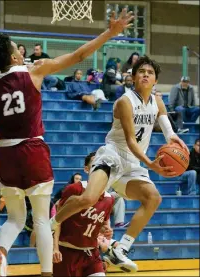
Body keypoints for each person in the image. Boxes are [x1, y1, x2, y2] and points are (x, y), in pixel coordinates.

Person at [0, 8, 134, 277]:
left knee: (16, 218)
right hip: (32, 149)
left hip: (6, 152)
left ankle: (1, 252)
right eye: (18, 48)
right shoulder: (34, 70)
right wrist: (110, 32)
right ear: (15, 56)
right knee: (41, 217)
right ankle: (46, 272)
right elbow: (79, 56)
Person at [51, 55, 189, 272]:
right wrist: (151, 165)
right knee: (87, 198)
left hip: (133, 165)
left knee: (153, 198)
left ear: (155, 80)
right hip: (113, 156)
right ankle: (53, 222)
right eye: (141, 71)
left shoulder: (157, 102)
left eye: (150, 73)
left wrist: (174, 139)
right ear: (133, 77)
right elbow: (130, 141)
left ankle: (120, 249)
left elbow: (167, 131)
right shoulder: (125, 101)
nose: (145, 74)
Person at [52, 153, 115, 277]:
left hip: (91, 254)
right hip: (67, 251)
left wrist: (106, 230)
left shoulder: (109, 199)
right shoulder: (74, 189)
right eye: (96, 163)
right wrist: (55, 248)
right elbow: (57, 220)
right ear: (87, 169)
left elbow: (100, 225)